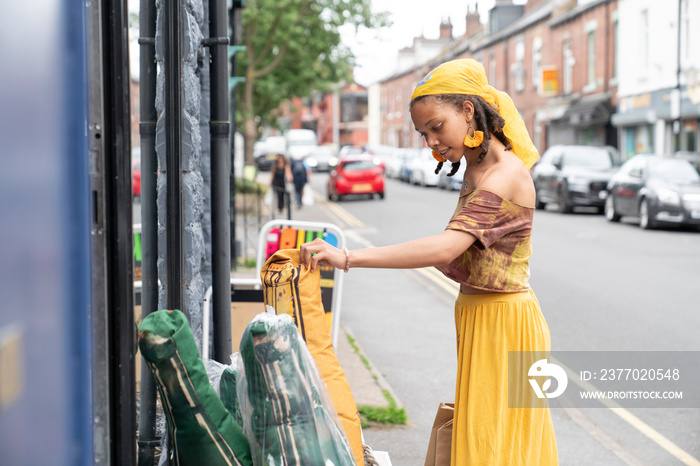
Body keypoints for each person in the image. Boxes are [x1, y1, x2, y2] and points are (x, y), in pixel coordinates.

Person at [300, 59, 558, 465]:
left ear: (468, 111)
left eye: (437, 126)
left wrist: (347, 257)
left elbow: (443, 249)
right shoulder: (477, 166)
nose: (431, 142)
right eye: (424, 134)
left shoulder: (503, 174)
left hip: (507, 325)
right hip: (479, 317)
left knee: (497, 448)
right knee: (485, 442)